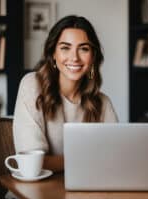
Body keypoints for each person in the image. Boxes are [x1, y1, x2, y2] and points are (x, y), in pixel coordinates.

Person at [13, 15, 118, 172]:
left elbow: (116, 157)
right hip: (34, 191)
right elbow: (33, 162)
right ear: (53, 54)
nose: (74, 57)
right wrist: (90, 160)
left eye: (84, 48)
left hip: (85, 190)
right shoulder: (32, 85)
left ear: (93, 57)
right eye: (65, 48)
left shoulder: (102, 103)